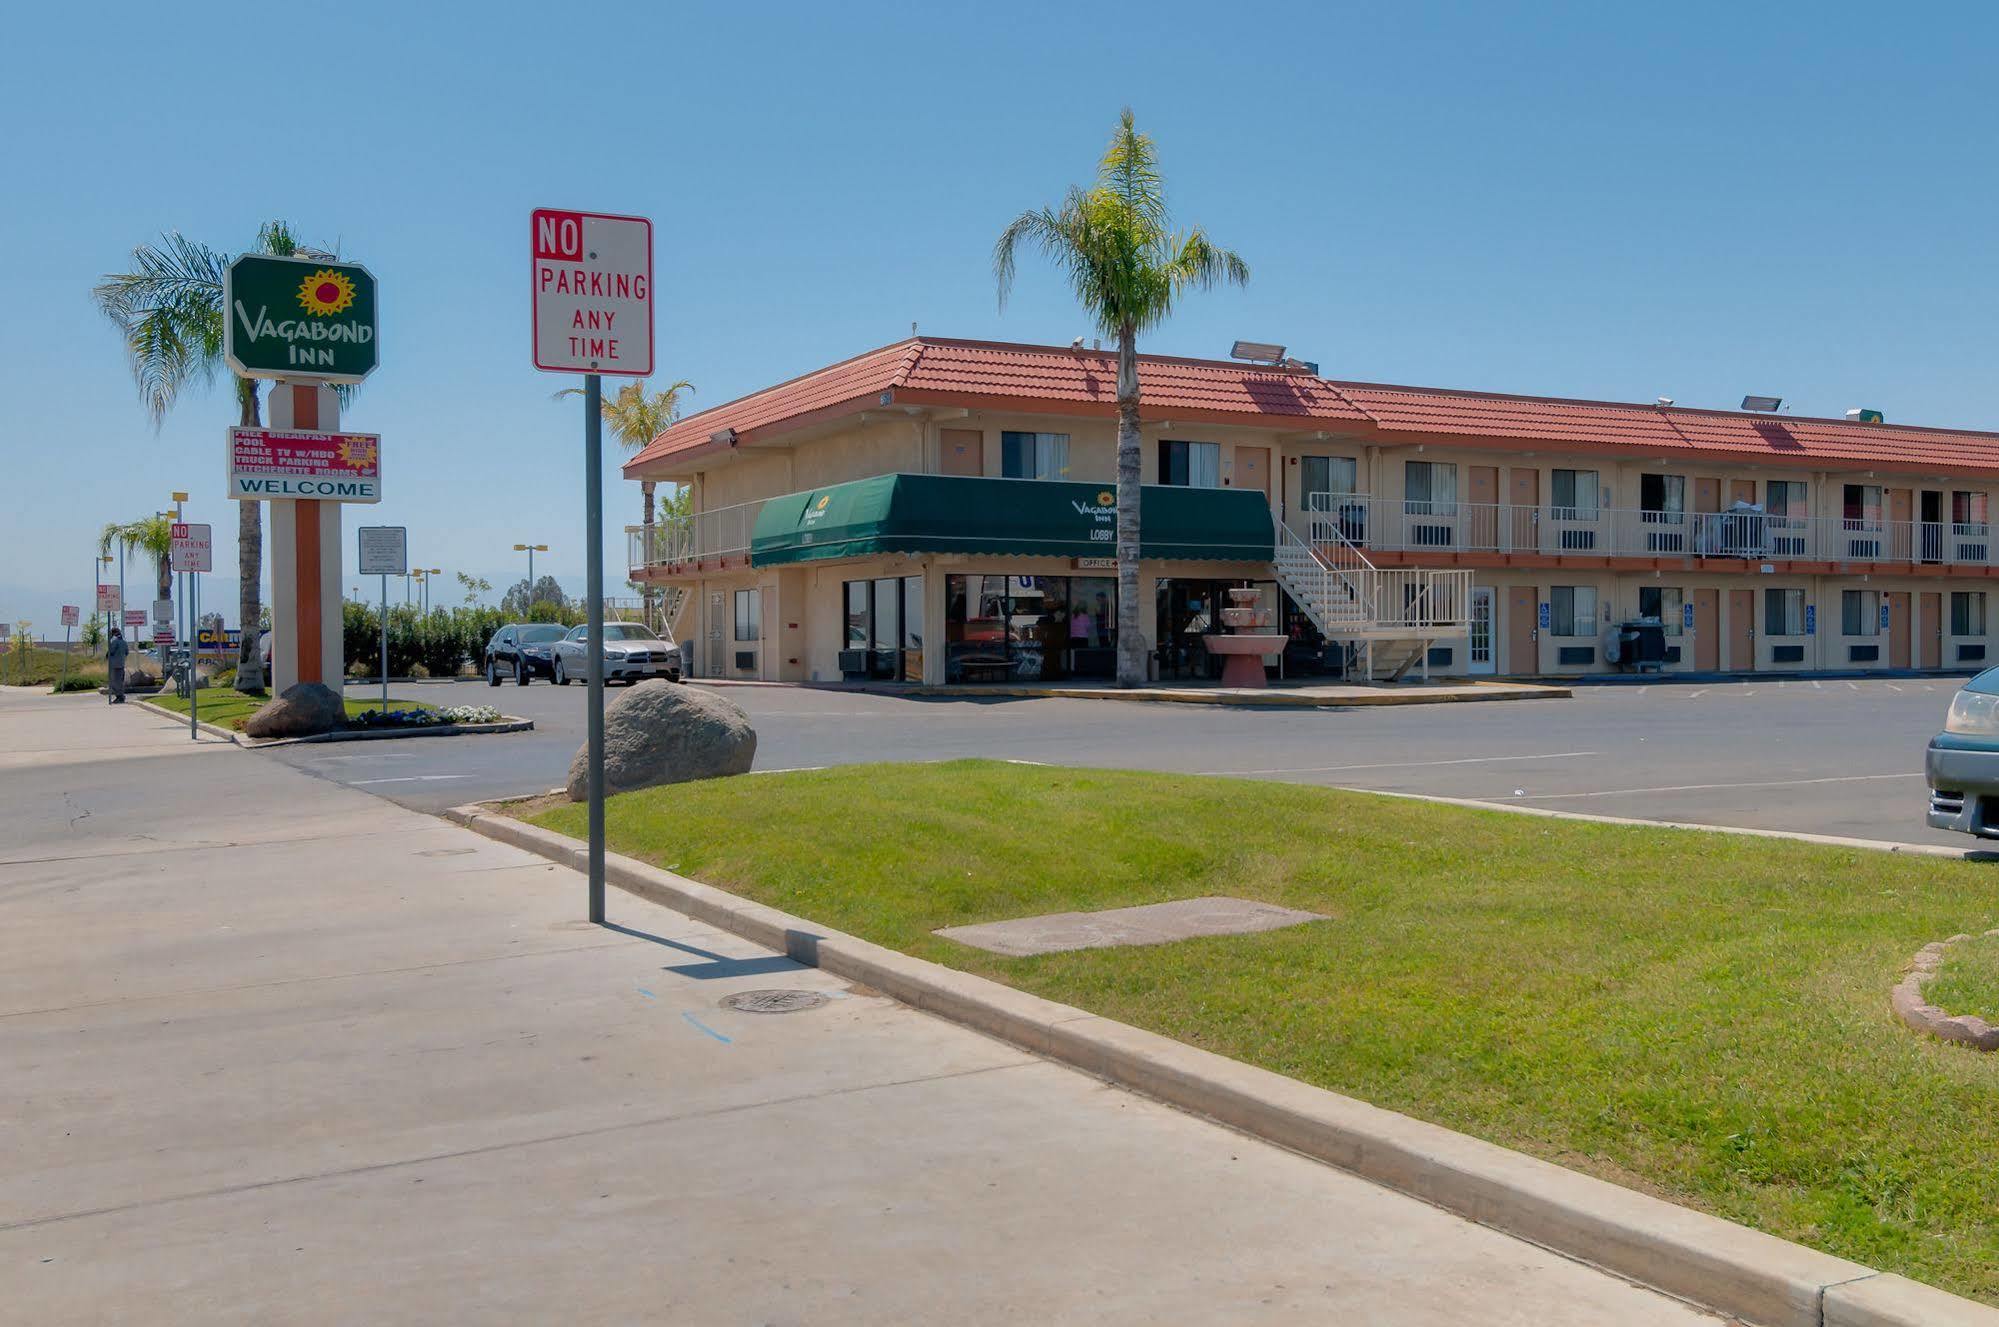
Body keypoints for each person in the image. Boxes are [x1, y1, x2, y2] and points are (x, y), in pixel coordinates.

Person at [106, 628, 128, 704]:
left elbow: (111, 652)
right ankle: (121, 696)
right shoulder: (124, 642)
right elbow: (126, 652)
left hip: (115, 665)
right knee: (120, 681)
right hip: (122, 664)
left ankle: (120, 696)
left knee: (114, 682)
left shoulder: (114, 642)